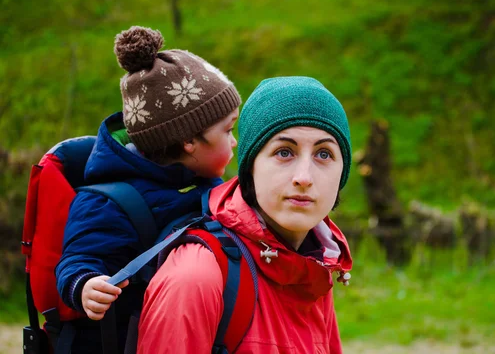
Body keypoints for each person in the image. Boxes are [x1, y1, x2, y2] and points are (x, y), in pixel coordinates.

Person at [55, 25, 241, 353]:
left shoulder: (203, 182)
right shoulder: (107, 203)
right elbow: (78, 257)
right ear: (188, 141)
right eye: (228, 130)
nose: (234, 141)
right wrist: (86, 285)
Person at [137, 76, 354, 354]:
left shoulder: (315, 267)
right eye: (284, 152)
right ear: (250, 167)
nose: (304, 177)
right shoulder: (196, 276)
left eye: (324, 154)